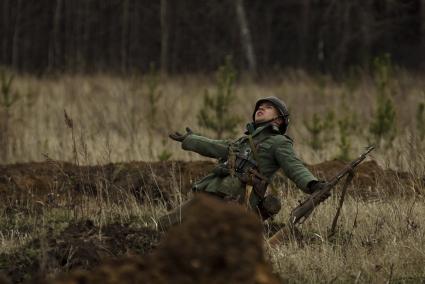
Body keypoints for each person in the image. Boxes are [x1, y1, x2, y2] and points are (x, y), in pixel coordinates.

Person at [158, 96, 327, 230]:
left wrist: (312, 184)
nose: (261, 108)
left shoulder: (279, 142)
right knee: (165, 225)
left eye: (269, 107)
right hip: (213, 193)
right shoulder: (243, 141)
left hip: (236, 200)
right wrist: (190, 139)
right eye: (260, 107)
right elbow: (216, 146)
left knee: (198, 233)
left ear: (279, 120)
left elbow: (294, 166)